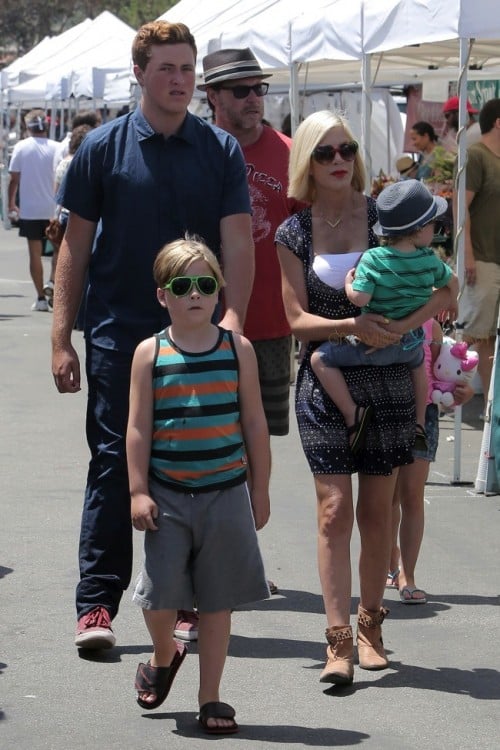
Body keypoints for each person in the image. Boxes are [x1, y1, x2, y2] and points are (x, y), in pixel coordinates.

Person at [51, 20, 254, 651]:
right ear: (138, 73)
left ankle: (186, 601)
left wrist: (233, 323)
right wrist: (61, 337)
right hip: (118, 335)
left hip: (200, 337)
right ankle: (96, 606)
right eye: (166, 68)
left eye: (188, 69)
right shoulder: (102, 149)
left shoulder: (219, 150)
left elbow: (239, 242)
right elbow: (73, 247)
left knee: (195, 468)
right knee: (115, 465)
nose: (179, 80)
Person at [275, 110, 454, 686]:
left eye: (346, 149)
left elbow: (445, 290)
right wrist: (352, 326)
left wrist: (407, 329)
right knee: (334, 511)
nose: (338, 161)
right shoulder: (293, 232)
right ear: (306, 160)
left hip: (392, 382)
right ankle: (337, 641)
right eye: (324, 153)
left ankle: (371, 625)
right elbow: (296, 321)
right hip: (327, 380)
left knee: (380, 510)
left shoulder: (386, 215)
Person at [128, 236, 270, 733]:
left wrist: (261, 487)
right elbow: (139, 427)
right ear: (163, 294)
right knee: (160, 598)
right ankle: (165, 654)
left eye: (205, 284)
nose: (195, 293)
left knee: (217, 601)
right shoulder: (150, 352)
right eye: (182, 285)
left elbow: (254, 422)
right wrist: (138, 489)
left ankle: (211, 697)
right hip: (166, 495)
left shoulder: (238, 348)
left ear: (219, 291)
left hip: (226, 491)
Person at [310, 179, 459, 454]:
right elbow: (453, 283)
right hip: (410, 346)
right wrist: (454, 306)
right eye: (433, 225)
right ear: (417, 231)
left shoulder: (373, 259)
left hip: (373, 345)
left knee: (319, 358)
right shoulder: (430, 260)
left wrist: (348, 284)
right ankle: (418, 424)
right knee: (418, 369)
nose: (435, 230)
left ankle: (351, 413)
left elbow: (361, 298)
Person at [199, 47, 300, 441]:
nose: (254, 98)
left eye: (259, 89)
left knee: (259, 437)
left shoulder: (291, 153)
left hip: (271, 326)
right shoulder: (196, 150)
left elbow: (310, 239)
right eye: (241, 91)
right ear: (213, 96)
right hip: (198, 321)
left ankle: (256, 506)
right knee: (206, 433)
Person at [387, 319, 474, 602]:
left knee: (411, 495)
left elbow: (440, 376)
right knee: (386, 499)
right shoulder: (380, 308)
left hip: (424, 415)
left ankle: (407, 575)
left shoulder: (431, 326)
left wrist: (461, 392)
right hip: (384, 410)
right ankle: (390, 562)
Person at [454, 97, 500, 410]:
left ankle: (490, 403)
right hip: (482, 256)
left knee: (489, 335)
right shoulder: (477, 156)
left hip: (493, 256)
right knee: (474, 332)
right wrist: (467, 253)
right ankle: (447, 384)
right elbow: (461, 205)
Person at [7, 109, 59, 311]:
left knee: (35, 254)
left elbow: (14, 178)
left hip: (30, 208)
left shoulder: (21, 147)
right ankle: (52, 282)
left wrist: (12, 204)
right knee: (58, 249)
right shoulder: (56, 147)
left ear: (28, 127)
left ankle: (40, 297)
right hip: (53, 208)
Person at [44, 124, 94, 306]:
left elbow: (58, 195)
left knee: (62, 256)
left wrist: (55, 215)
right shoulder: (85, 161)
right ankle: (78, 298)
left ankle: (55, 285)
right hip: (85, 216)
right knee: (83, 260)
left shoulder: (64, 162)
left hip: (64, 214)